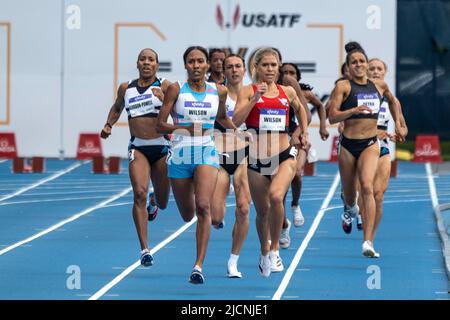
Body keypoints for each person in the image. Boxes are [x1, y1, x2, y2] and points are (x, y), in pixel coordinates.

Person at [156, 46, 241, 284]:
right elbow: (160, 125)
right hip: (181, 155)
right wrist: (183, 128)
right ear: (185, 65)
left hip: (206, 151)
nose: (196, 65)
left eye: (200, 61)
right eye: (191, 61)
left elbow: (222, 118)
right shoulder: (176, 89)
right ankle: (186, 190)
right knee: (187, 214)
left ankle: (198, 266)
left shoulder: (219, 91)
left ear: (207, 65)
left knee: (204, 206)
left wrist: (240, 132)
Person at [233, 47, 309, 277]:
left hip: (284, 155)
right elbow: (235, 120)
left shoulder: (287, 91)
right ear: (256, 67)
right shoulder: (247, 91)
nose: (270, 69)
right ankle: (264, 251)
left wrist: (304, 132)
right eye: (265, 65)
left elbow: (301, 110)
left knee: (276, 196)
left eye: (273, 65)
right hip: (257, 159)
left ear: (278, 67)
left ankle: (275, 250)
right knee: (262, 211)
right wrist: (255, 99)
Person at [328, 42, 405, 257]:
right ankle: (349, 206)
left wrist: (399, 122)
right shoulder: (343, 87)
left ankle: (368, 242)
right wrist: (353, 110)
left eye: (362, 61)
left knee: (368, 188)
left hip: (371, 144)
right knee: (351, 196)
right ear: (348, 67)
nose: (359, 65)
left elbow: (393, 102)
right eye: (355, 62)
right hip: (348, 145)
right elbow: (332, 116)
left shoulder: (379, 86)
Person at [100, 48, 171, 267]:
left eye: (151, 59)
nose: (147, 62)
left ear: (157, 65)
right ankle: (144, 249)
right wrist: (109, 124)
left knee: (163, 201)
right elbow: (117, 107)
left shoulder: (165, 85)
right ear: (137, 63)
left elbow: (179, 108)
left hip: (161, 148)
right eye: (143, 59)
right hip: (138, 147)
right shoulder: (126, 87)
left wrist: (166, 98)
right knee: (139, 193)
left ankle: (154, 203)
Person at [353, 58, 407, 255]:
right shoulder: (358, 94)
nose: (375, 71)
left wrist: (399, 131)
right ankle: (353, 206)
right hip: (362, 147)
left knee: (379, 195)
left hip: (383, 149)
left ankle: (369, 241)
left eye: (379, 69)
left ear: (385, 73)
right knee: (363, 192)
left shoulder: (391, 99)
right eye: (372, 68)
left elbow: (402, 125)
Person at [210, 54, 251, 278]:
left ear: (245, 70)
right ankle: (219, 213)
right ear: (223, 71)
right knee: (215, 217)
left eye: (238, 66)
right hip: (219, 153)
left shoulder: (255, 93)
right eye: (229, 67)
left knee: (244, 207)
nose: (234, 70)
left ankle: (233, 261)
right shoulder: (216, 93)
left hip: (247, 154)